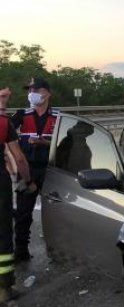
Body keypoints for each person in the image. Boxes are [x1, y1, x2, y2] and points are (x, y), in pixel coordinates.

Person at [10, 78, 59, 262]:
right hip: (27, 170)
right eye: (29, 89)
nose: (31, 92)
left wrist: (44, 142)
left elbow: (66, 144)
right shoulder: (22, 114)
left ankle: (60, 250)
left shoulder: (58, 117)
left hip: (51, 171)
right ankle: (21, 250)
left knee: (58, 212)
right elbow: (5, 131)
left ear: (47, 93)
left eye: (35, 89)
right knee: (23, 212)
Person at [0, 84, 36, 307]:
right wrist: (29, 182)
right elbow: (19, 158)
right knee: (3, 234)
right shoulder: (4, 124)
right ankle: (4, 291)